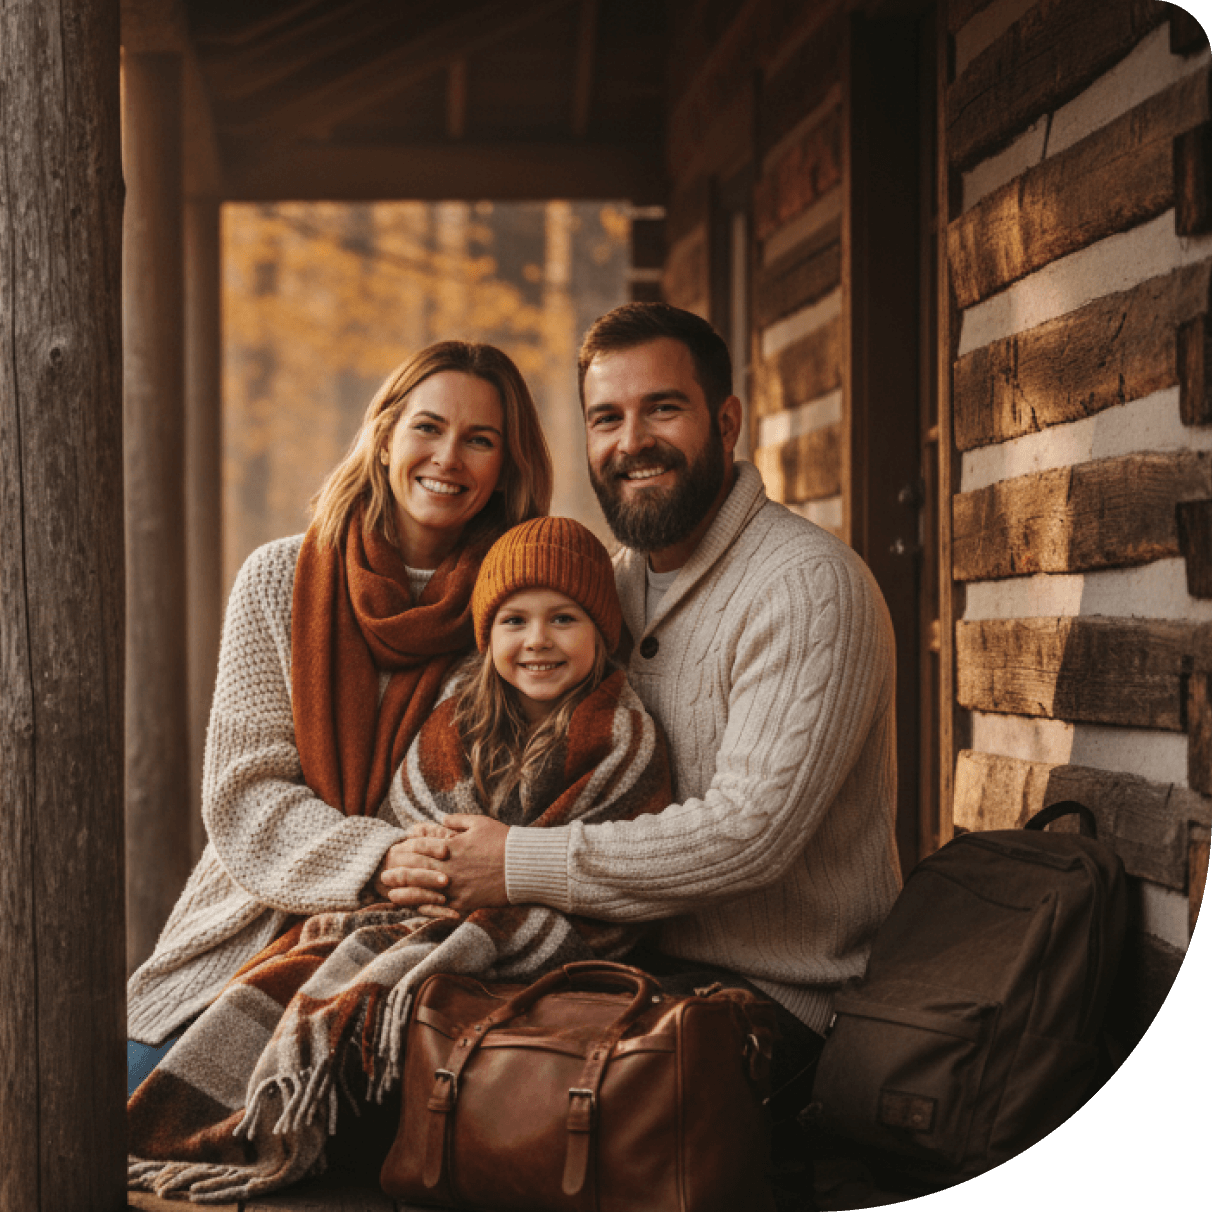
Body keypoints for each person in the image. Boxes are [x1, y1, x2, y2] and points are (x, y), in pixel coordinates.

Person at [389, 302, 903, 1193]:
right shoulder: (602, 591)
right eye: (606, 417)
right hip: (624, 974)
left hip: (776, 1009)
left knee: (516, 1134)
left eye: (663, 408)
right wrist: (425, 857)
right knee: (414, 1056)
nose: (633, 441)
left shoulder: (808, 587)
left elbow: (751, 833)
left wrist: (515, 865)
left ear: (728, 422)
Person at [127, 517, 673, 1202]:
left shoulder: (623, 737)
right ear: (487, 634)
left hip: (546, 946)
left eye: (564, 619)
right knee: (322, 955)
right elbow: (415, 815)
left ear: (604, 633)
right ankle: (284, 1115)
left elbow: (614, 869)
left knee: (389, 1002)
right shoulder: (459, 715)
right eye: (514, 621)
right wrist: (440, 874)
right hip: (422, 916)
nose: (537, 641)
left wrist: (497, 889)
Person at [124, 339, 553, 1096]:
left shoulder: (518, 616)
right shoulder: (277, 579)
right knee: (127, 1104)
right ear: (385, 435)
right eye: (429, 427)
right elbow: (246, 798)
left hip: (411, 954)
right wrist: (379, 858)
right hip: (250, 922)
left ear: (506, 467)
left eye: (480, 440)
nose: (448, 457)